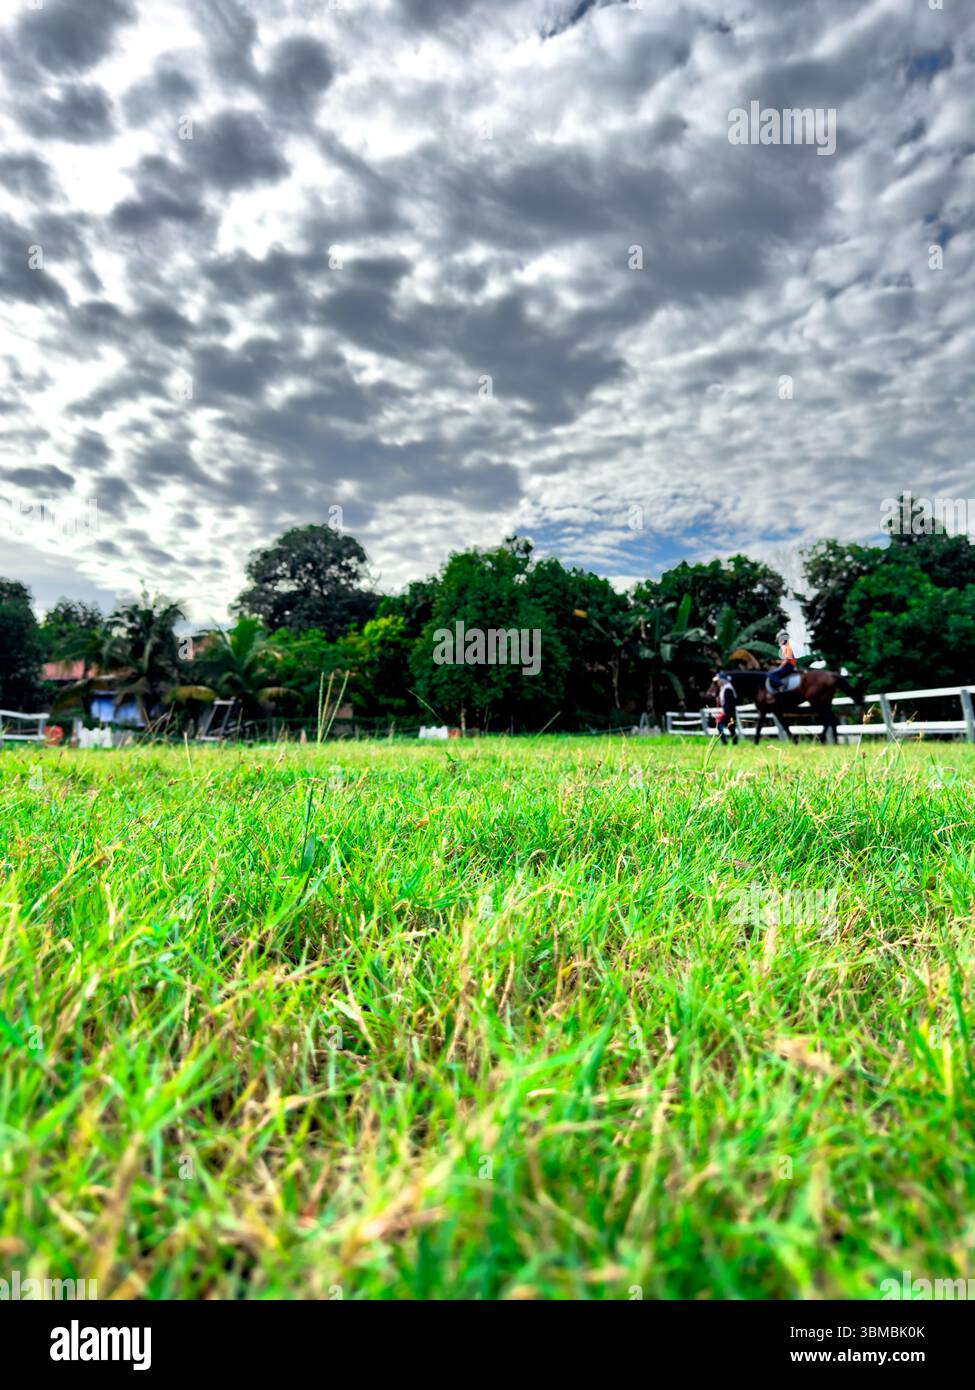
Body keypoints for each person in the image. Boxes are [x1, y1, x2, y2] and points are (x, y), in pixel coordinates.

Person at [715, 672, 738, 745]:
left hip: (728, 711)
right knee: (731, 728)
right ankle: (734, 742)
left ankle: (724, 741)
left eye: (718, 680)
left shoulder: (728, 689)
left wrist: (724, 712)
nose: (717, 682)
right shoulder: (725, 688)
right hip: (729, 711)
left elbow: (728, 702)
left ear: (722, 680)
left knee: (719, 724)